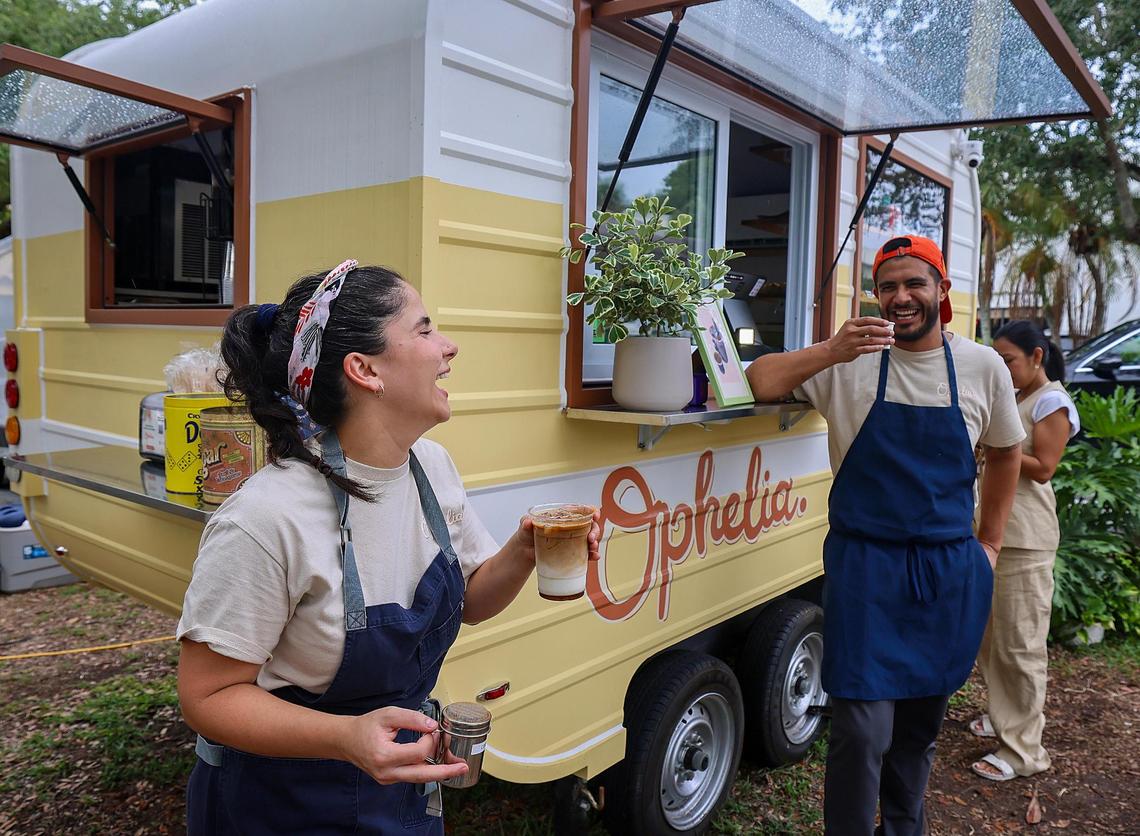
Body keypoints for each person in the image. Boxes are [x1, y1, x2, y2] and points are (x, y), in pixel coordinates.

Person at [175, 260, 601, 834]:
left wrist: (525, 549)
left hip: (398, 789)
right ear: (365, 370)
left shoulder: (431, 468)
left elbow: (471, 600)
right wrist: (344, 737)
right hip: (280, 804)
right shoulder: (264, 520)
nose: (448, 347)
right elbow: (208, 696)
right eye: (424, 329)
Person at [745, 235, 1024, 836]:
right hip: (866, 569)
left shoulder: (982, 366)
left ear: (942, 292)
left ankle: (905, 826)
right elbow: (756, 381)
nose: (901, 297)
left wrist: (991, 543)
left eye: (915, 284)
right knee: (860, 728)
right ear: (875, 295)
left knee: (920, 728)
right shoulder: (849, 362)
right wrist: (827, 348)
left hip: (948, 571)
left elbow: (1006, 453)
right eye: (888, 286)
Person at [969, 320, 1079, 782]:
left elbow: (1044, 468)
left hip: (1026, 540)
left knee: (1020, 646)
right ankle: (1002, 716)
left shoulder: (1051, 400)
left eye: (1009, 359)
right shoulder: (1016, 397)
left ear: (1036, 356)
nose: (1003, 367)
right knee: (992, 642)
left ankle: (1024, 752)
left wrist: (992, 448)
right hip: (997, 536)